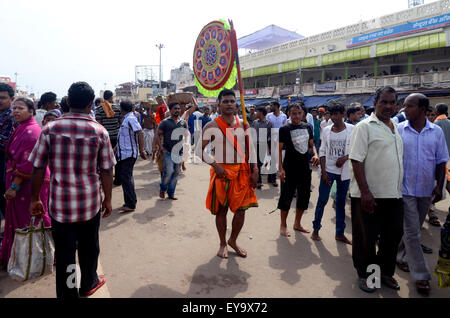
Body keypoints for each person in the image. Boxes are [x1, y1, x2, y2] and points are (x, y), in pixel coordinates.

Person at [29, 82, 116, 298]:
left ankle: (68, 293)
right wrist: (108, 200)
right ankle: (88, 282)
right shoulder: (99, 131)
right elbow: (107, 170)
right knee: (89, 247)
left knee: (66, 252)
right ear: (90, 104)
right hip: (90, 203)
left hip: (60, 205)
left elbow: (38, 167)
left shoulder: (50, 128)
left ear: (67, 102)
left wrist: (34, 198)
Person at [349, 86, 404, 293]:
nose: (388, 106)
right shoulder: (364, 127)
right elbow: (356, 159)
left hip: (394, 194)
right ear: (375, 103)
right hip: (369, 195)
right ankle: (367, 275)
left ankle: (386, 272)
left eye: (392, 102)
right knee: (366, 238)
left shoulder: (394, 127)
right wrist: (365, 192)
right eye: (384, 102)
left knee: (393, 235)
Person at [395, 93, 449, 295]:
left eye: (409, 106)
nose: (404, 109)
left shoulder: (436, 132)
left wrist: (438, 186)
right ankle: (421, 275)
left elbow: (441, 160)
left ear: (422, 109)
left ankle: (400, 256)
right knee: (412, 232)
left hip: (426, 190)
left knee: (413, 229)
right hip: (405, 189)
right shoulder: (400, 130)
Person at [201, 89, 258, 258]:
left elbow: (251, 149)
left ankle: (233, 240)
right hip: (222, 173)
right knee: (222, 210)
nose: (229, 104)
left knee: (241, 211)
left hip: (242, 172)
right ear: (218, 105)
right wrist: (215, 165)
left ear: (236, 104)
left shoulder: (244, 124)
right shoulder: (211, 125)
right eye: (225, 101)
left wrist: (255, 169)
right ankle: (222, 243)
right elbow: (198, 150)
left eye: (232, 101)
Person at [0, 97, 51, 268]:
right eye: (14, 108)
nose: (15, 111)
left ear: (31, 111)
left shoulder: (32, 132)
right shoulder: (21, 127)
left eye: (20, 108)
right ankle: (20, 257)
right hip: (20, 183)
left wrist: (14, 186)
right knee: (22, 222)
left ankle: (36, 258)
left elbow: (28, 164)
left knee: (31, 221)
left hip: (28, 185)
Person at [311, 101, 353, 244]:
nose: (334, 117)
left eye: (337, 114)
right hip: (328, 171)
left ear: (343, 114)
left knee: (341, 203)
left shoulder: (353, 129)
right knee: (322, 201)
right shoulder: (327, 130)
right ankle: (316, 229)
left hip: (344, 173)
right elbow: (322, 151)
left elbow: (359, 149)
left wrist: (345, 158)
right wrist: (323, 172)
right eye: (331, 114)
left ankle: (339, 233)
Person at [277, 103, 319, 237]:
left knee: (304, 196)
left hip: (305, 168)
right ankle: (283, 225)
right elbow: (279, 150)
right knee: (286, 197)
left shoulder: (308, 127)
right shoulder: (284, 129)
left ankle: (297, 223)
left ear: (303, 114)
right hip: (289, 167)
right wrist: (280, 168)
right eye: (293, 113)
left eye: (299, 113)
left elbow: (311, 146)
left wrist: (316, 154)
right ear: (289, 114)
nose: (296, 116)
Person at [116, 100, 148, 212]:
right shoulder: (127, 118)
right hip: (124, 153)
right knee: (127, 177)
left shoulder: (130, 119)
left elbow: (139, 132)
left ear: (121, 108)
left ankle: (130, 203)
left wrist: (142, 149)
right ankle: (130, 202)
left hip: (129, 153)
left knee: (126, 177)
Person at [154, 101, 188, 200]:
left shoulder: (183, 123)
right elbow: (158, 134)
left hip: (179, 152)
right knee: (169, 171)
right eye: (175, 108)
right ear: (170, 110)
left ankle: (171, 193)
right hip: (167, 151)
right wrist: (160, 147)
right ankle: (163, 189)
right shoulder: (165, 122)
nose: (177, 110)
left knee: (176, 173)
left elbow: (185, 135)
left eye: (178, 108)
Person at [95, 90, 121, 185]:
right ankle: (118, 180)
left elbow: (99, 124)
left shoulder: (98, 109)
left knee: (104, 159)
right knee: (118, 158)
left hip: (104, 138)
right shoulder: (117, 108)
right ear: (111, 97)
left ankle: (105, 180)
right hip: (116, 137)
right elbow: (121, 122)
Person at [0, 83, 15, 235]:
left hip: (5, 163)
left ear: (11, 99)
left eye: (3, 98)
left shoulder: (11, 116)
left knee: (4, 198)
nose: (0, 101)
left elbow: (6, 142)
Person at [251, 106, 273, 189]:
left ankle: (270, 178)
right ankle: (258, 181)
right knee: (256, 163)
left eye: (257, 112)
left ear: (261, 113)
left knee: (262, 163)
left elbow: (271, 136)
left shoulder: (269, 124)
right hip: (254, 145)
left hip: (263, 145)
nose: (256, 113)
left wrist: (270, 148)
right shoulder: (255, 122)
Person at [266, 101, 287, 187]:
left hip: (281, 140)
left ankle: (272, 177)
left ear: (276, 106)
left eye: (271, 105)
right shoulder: (269, 116)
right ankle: (272, 178)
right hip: (271, 139)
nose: (270, 106)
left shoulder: (284, 116)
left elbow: (285, 128)